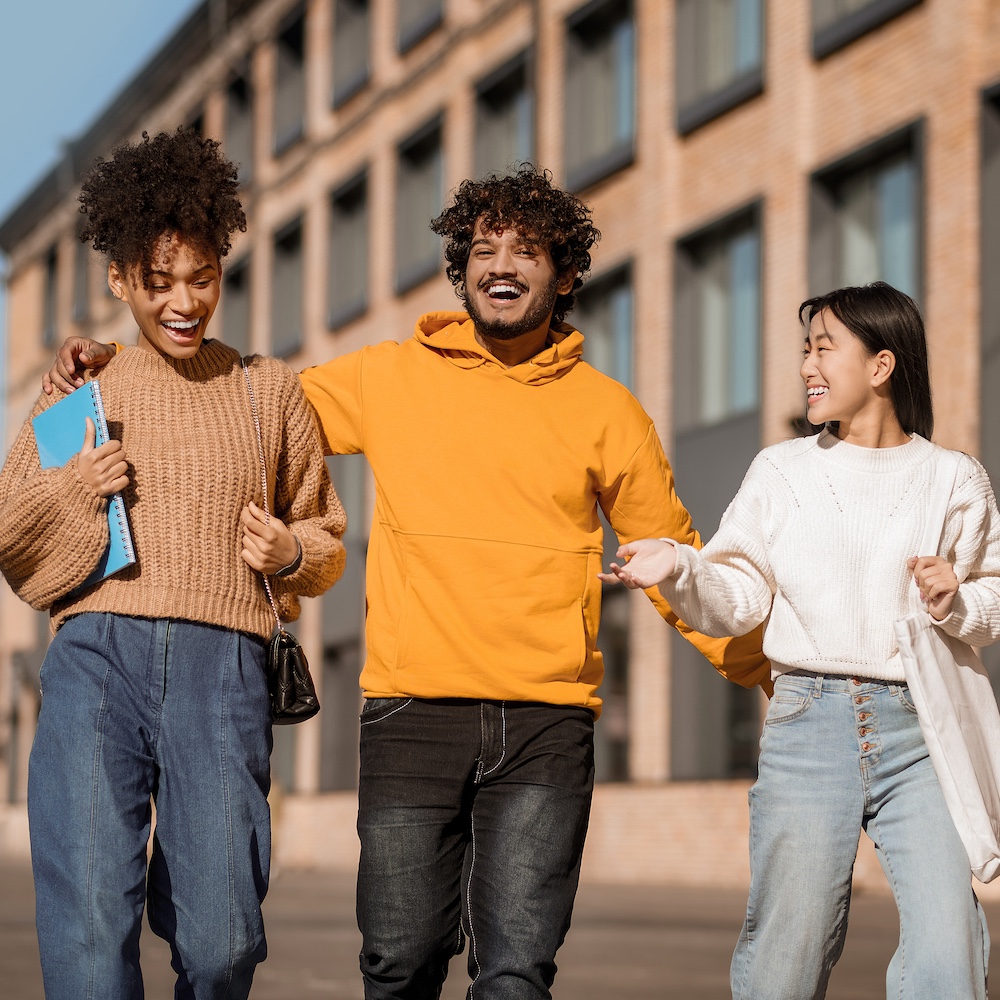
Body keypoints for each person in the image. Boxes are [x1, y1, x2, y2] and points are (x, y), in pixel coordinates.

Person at [45, 164, 768, 1000]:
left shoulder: (608, 412)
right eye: (484, 249)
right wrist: (119, 364)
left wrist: (764, 669)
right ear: (459, 271)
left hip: (548, 722)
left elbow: (674, 556)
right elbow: (240, 405)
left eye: (527, 250)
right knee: (397, 968)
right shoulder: (390, 376)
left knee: (518, 976)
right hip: (409, 716)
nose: (502, 265)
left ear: (565, 275)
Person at [1, 129, 347, 1000]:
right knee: (85, 936)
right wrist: (80, 488)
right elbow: (12, 533)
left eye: (203, 277)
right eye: (159, 284)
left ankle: (184, 880)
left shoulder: (269, 391)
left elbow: (329, 537)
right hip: (95, 662)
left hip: (222, 672)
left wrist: (293, 550)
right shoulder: (84, 390)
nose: (185, 302)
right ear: (119, 279)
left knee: (224, 938)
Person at [601, 281, 999, 999]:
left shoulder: (954, 479)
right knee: (789, 951)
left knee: (950, 953)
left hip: (924, 733)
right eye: (804, 351)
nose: (808, 366)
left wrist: (955, 599)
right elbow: (740, 601)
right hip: (809, 723)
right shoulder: (781, 471)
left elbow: (993, 602)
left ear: (881, 365)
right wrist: (683, 567)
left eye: (825, 349)